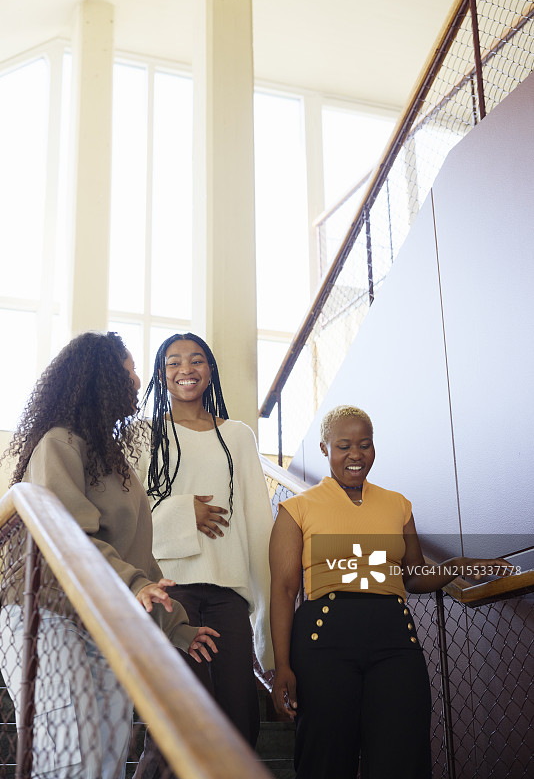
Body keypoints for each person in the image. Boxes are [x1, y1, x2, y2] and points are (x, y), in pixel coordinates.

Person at [0, 331, 219, 779]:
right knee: (70, 757)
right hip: (48, 616)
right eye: (129, 369)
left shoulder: (113, 460)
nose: (139, 380)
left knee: (106, 760)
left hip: (103, 624)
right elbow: (70, 538)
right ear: (102, 376)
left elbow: (138, 561)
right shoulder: (58, 442)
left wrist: (177, 627)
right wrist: (137, 585)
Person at [269, 404, 512, 779]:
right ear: (324, 449)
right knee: (327, 757)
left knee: (402, 753)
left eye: (365, 445)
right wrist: (282, 666)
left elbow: (414, 577)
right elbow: (284, 590)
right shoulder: (297, 508)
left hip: (395, 640)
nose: (355, 455)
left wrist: (460, 566)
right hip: (324, 640)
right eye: (344, 446)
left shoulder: (397, 504)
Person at [133, 332, 274, 777]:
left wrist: (269, 635)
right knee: (178, 720)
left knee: (240, 719)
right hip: (169, 592)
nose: (185, 369)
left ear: (210, 370)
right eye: (173, 362)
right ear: (161, 375)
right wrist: (183, 511)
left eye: (196, 360)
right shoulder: (144, 434)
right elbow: (128, 515)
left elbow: (257, 524)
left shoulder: (238, 436)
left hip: (227, 594)